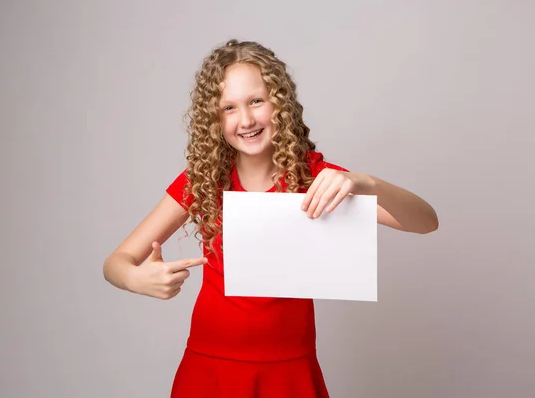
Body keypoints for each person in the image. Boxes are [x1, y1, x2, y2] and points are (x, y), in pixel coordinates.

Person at [103, 39, 438, 398]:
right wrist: (137, 279)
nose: (245, 120)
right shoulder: (202, 179)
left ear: (280, 103)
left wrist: (366, 182)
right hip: (209, 367)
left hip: (290, 369)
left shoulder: (316, 178)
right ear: (214, 120)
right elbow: (116, 263)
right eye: (228, 108)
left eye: (256, 102)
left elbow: (424, 221)